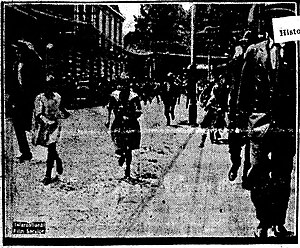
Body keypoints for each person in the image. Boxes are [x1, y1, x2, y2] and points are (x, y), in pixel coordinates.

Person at [235, 4, 296, 238]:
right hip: (258, 125)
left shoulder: (294, 53)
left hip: (284, 125)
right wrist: (241, 125)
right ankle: (263, 220)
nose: (277, 23)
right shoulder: (254, 51)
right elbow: (244, 92)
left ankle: (279, 223)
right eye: (273, 19)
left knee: (282, 175)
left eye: (282, 19)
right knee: (257, 173)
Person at [6, 39, 43, 162]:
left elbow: (37, 81)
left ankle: (43, 149)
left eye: (19, 50)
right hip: (20, 98)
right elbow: (14, 81)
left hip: (31, 97)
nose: (17, 52)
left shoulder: (32, 62)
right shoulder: (17, 63)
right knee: (18, 123)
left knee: (34, 124)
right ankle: (26, 152)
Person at [32, 75, 70, 185]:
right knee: (50, 148)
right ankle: (58, 160)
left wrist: (65, 113)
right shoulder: (40, 98)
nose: (49, 88)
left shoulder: (57, 97)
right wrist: (46, 121)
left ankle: (48, 175)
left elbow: (60, 108)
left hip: (55, 126)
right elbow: (38, 114)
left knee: (51, 147)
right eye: (47, 86)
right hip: (44, 126)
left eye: (51, 85)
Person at [227, 31, 254, 183]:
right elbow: (228, 78)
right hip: (235, 109)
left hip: (251, 108)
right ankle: (235, 164)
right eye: (243, 45)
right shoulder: (236, 63)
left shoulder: (257, 61)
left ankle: (247, 172)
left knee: (251, 141)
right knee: (234, 141)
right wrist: (236, 58)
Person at [105, 73, 142, 181]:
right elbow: (109, 107)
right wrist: (107, 119)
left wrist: (133, 115)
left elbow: (139, 111)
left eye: (126, 84)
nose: (123, 87)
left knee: (129, 148)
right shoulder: (115, 95)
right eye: (122, 84)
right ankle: (121, 153)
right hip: (118, 122)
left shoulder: (133, 96)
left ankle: (128, 171)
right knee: (118, 142)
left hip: (131, 123)